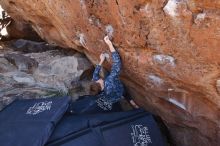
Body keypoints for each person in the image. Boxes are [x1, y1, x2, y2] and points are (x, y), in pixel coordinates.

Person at [90, 36, 139, 110]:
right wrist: (110, 44)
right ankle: (132, 102)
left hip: (114, 97)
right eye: (98, 81)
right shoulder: (110, 80)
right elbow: (117, 63)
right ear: (101, 85)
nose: (98, 79)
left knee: (120, 94)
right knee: (122, 91)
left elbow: (95, 74)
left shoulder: (97, 91)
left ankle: (130, 102)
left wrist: (101, 61)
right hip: (119, 90)